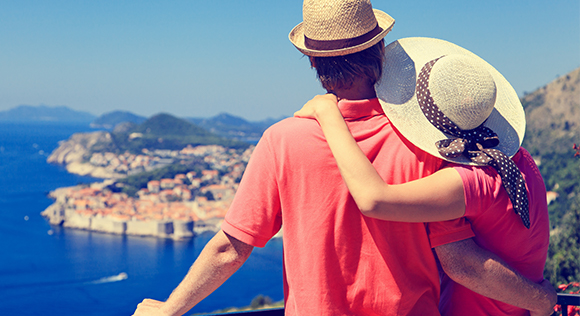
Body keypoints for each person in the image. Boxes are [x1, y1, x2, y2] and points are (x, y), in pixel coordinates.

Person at [133, 2, 555, 315]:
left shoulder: (282, 141)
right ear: (381, 52)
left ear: (314, 62)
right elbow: (459, 257)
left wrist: (170, 308)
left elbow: (231, 249)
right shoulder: (429, 146)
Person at [294, 37, 556, 315]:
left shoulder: (467, 180)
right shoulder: (519, 160)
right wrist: (540, 300)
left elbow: (375, 200)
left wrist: (328, 113)